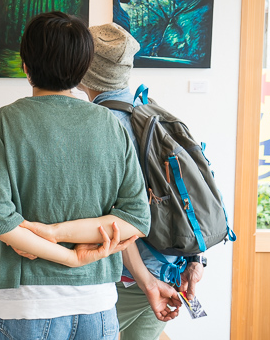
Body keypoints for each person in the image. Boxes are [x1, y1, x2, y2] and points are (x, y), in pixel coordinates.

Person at [0, 11, 164, 340]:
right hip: (97, 305)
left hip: (26, 304)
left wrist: (66, 251)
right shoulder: (111, 125)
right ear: (82, 72)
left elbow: (1, 221)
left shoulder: (3, 123)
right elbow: (136, 219)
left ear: (25, 65)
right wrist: (62, 238)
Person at [78, 22, 202, 340]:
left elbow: (115, 220)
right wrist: (194, 259)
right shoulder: (150, 112)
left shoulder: (101, 127)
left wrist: (146, 280)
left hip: (132, 276)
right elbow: (188, 192)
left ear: (84, 71)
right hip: (172, 266)